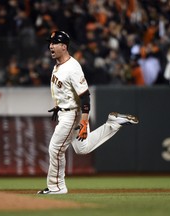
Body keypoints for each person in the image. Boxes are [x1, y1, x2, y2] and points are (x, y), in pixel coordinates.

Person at [37, 31, 139, 195]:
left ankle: (57, 187)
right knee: (82, 148)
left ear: (64, 47)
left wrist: (83, 122)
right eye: (50, 43)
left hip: (72, 115)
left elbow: (85, 98)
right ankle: (112, 124)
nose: (50, 46)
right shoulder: (59, 65)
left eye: (54, 43)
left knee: (55, 148)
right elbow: (66, 91)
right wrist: (59, 106)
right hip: (66, 111)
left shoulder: (72, 68)